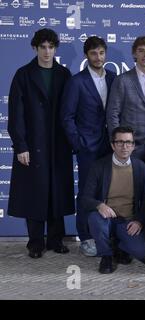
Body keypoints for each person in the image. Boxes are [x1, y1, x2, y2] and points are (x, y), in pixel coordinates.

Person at [7, 28, 74, 259]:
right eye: (43, 47)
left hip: (58, 145)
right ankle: (35, 242)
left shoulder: (64, 74)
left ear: (55, 48)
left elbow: (69, 111)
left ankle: (56, 239)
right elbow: (15, 114)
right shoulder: (23, 75)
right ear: (35, 48)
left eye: (51, 47)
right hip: (32, 144)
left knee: (56, 191)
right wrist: (21, 145)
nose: (47, 52)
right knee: (34, 192)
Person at [61, 36, 116, 257]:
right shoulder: (76, 82)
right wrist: (79, 144)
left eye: (101, 53)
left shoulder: (114, 78)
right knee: (86, 192)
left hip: (111, 145)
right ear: (86, 55)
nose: (98, 57)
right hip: (88, 148)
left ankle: (108, 234)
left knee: (111, 191)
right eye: (93, 53)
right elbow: (67, 117)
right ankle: (85, 237)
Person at [81, 126, 145, 274]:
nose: (124, 146)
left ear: (133, 146)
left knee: (142, 251)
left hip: (127, 220)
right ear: (113, 145)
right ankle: (106, 255)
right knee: (94, 218)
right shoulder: (99, 166)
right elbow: (85, 198)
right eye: (119, 142)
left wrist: (139, 220)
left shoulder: (141, 167)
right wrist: (99, 205)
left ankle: (118, 246)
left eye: (128, 142)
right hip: (105, 218)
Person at [107, 35, 145, 172]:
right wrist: (118, 142)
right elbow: (112, 114)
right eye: (141, 50)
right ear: (134, 53)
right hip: (131, 147)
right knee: (132, 189)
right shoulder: (122, 80)